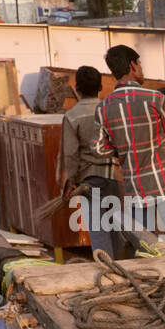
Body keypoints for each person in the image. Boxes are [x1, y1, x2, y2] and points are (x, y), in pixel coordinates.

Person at [95, 44, 165, 252]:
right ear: (133, 65)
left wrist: (123, 150)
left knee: (147, 249)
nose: (141, 68)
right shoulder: (156, 99)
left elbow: (100, 149)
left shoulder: (103, 108)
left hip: (136, 191)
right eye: (139, 63)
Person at [61, 66, 123, 256]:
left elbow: (70, 154)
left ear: (76, 87)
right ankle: (125, 271)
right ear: (101, 86)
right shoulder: (111, 110)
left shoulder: (72, 116)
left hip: (89, 180)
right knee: (119, 229)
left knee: (99, 232)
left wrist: (70, 182)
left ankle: (108, 273)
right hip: (116, 177)